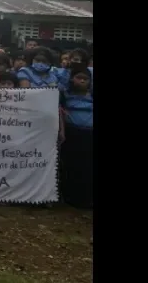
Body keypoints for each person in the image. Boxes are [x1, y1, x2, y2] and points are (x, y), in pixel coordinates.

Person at [59, 67, 93, 208]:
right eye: (79, 77)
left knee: (88, 166)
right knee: (71, 165)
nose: (83, 80)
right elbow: (59, 112)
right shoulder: (65, 96)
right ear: (72, 79)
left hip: (89, 135)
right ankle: (70, 197)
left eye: (86, 78)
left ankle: (87, 199)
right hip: (72, 134)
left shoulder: (92, 96)